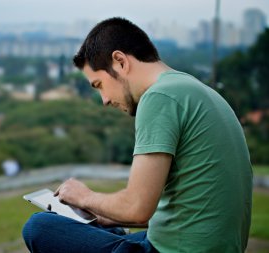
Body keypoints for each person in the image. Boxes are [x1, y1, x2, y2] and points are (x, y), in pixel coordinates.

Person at [22, 17, 252, 253]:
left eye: (99, 84)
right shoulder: (194, 89)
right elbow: (183, 210)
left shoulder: (159, 97)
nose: (104, 100)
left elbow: (137, 208)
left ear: (120, 61)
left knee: (38, 227)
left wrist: (84, 197)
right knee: (100, 226)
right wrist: (106, 217)